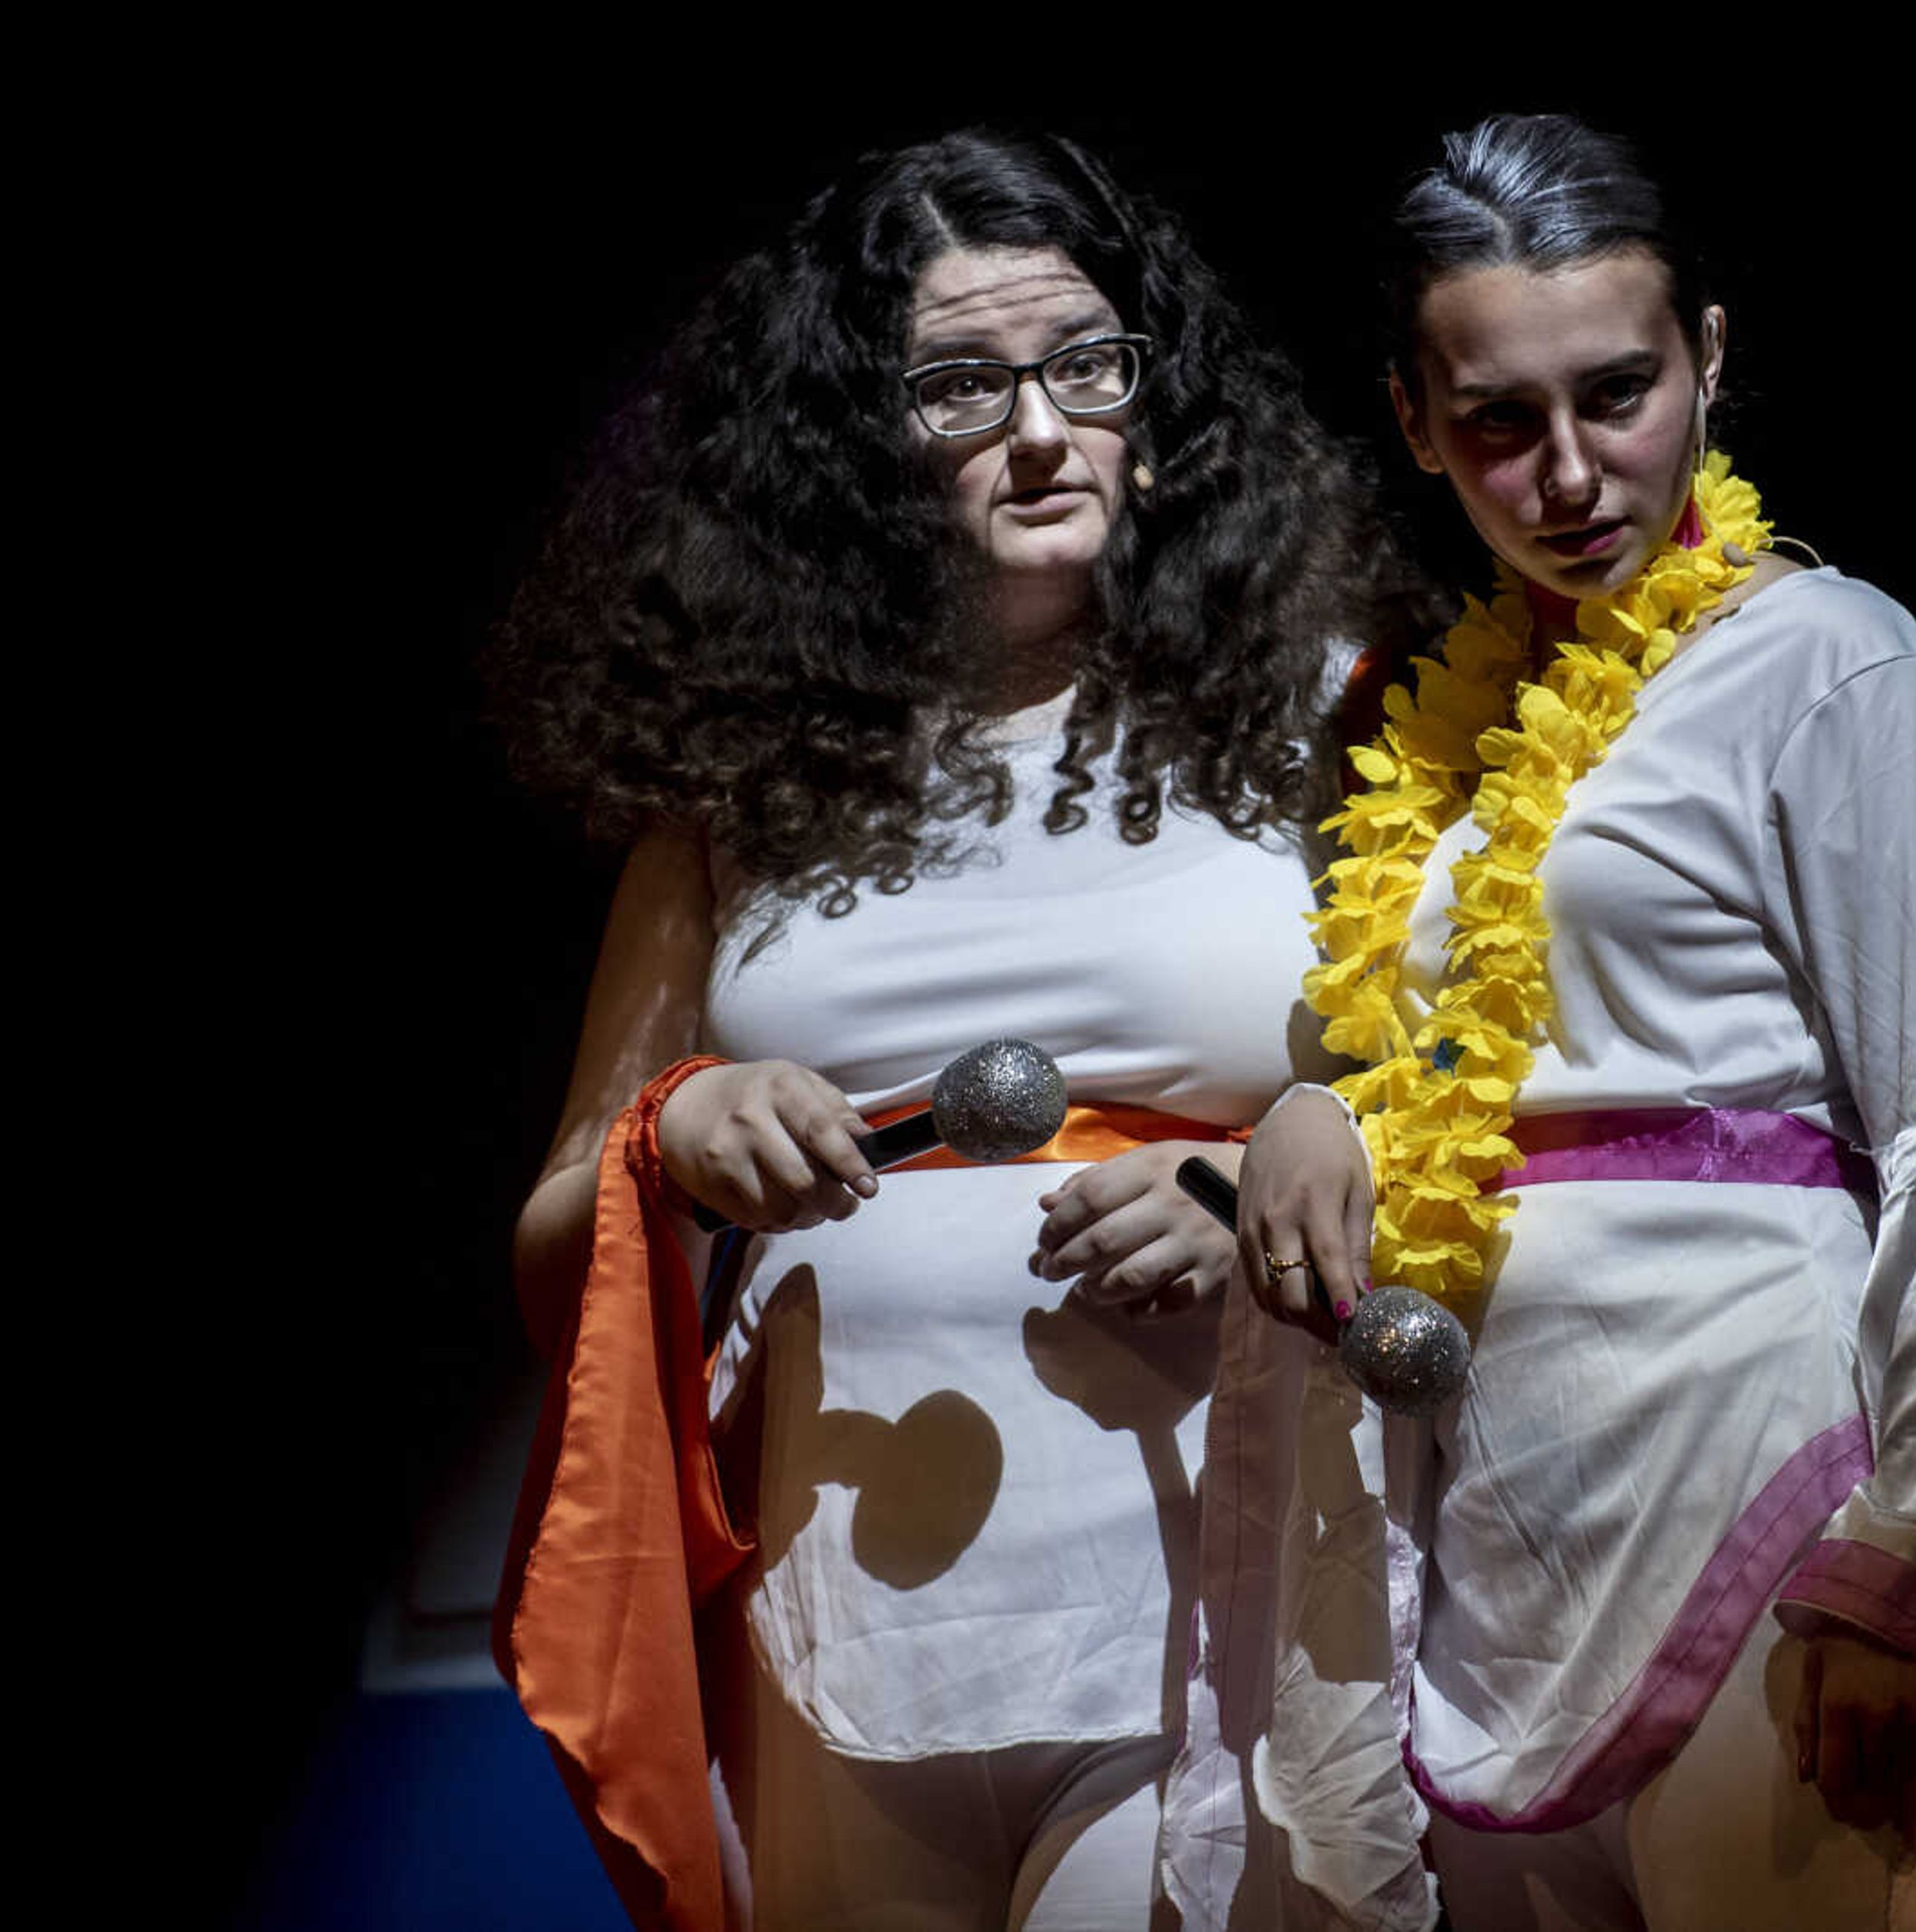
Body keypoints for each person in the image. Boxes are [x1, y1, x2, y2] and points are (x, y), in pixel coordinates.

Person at [1230, 115, 1916, 1929]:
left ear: (1710, 357)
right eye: (1497, 419)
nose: (1568, 471)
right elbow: (1439, 1046)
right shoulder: (1450, 736)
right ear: (1414, 421)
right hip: (1502, 1516)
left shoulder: (1833, 664)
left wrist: (1908, 1568)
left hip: (1763, 1479)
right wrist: (1315, 1104)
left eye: (1621, 391)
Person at [490, 127, 1393, 1932]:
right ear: (855, 443)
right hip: (852, 1620)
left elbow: (1466, 1114)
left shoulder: (1334, 711)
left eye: (1083, 365)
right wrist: (677, 1134)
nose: (1043, 432)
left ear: (1158, 385)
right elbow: (554, 1228)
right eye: (962, 388)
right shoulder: (737, 781)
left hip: (1206, 1586)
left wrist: (1256, 1173)